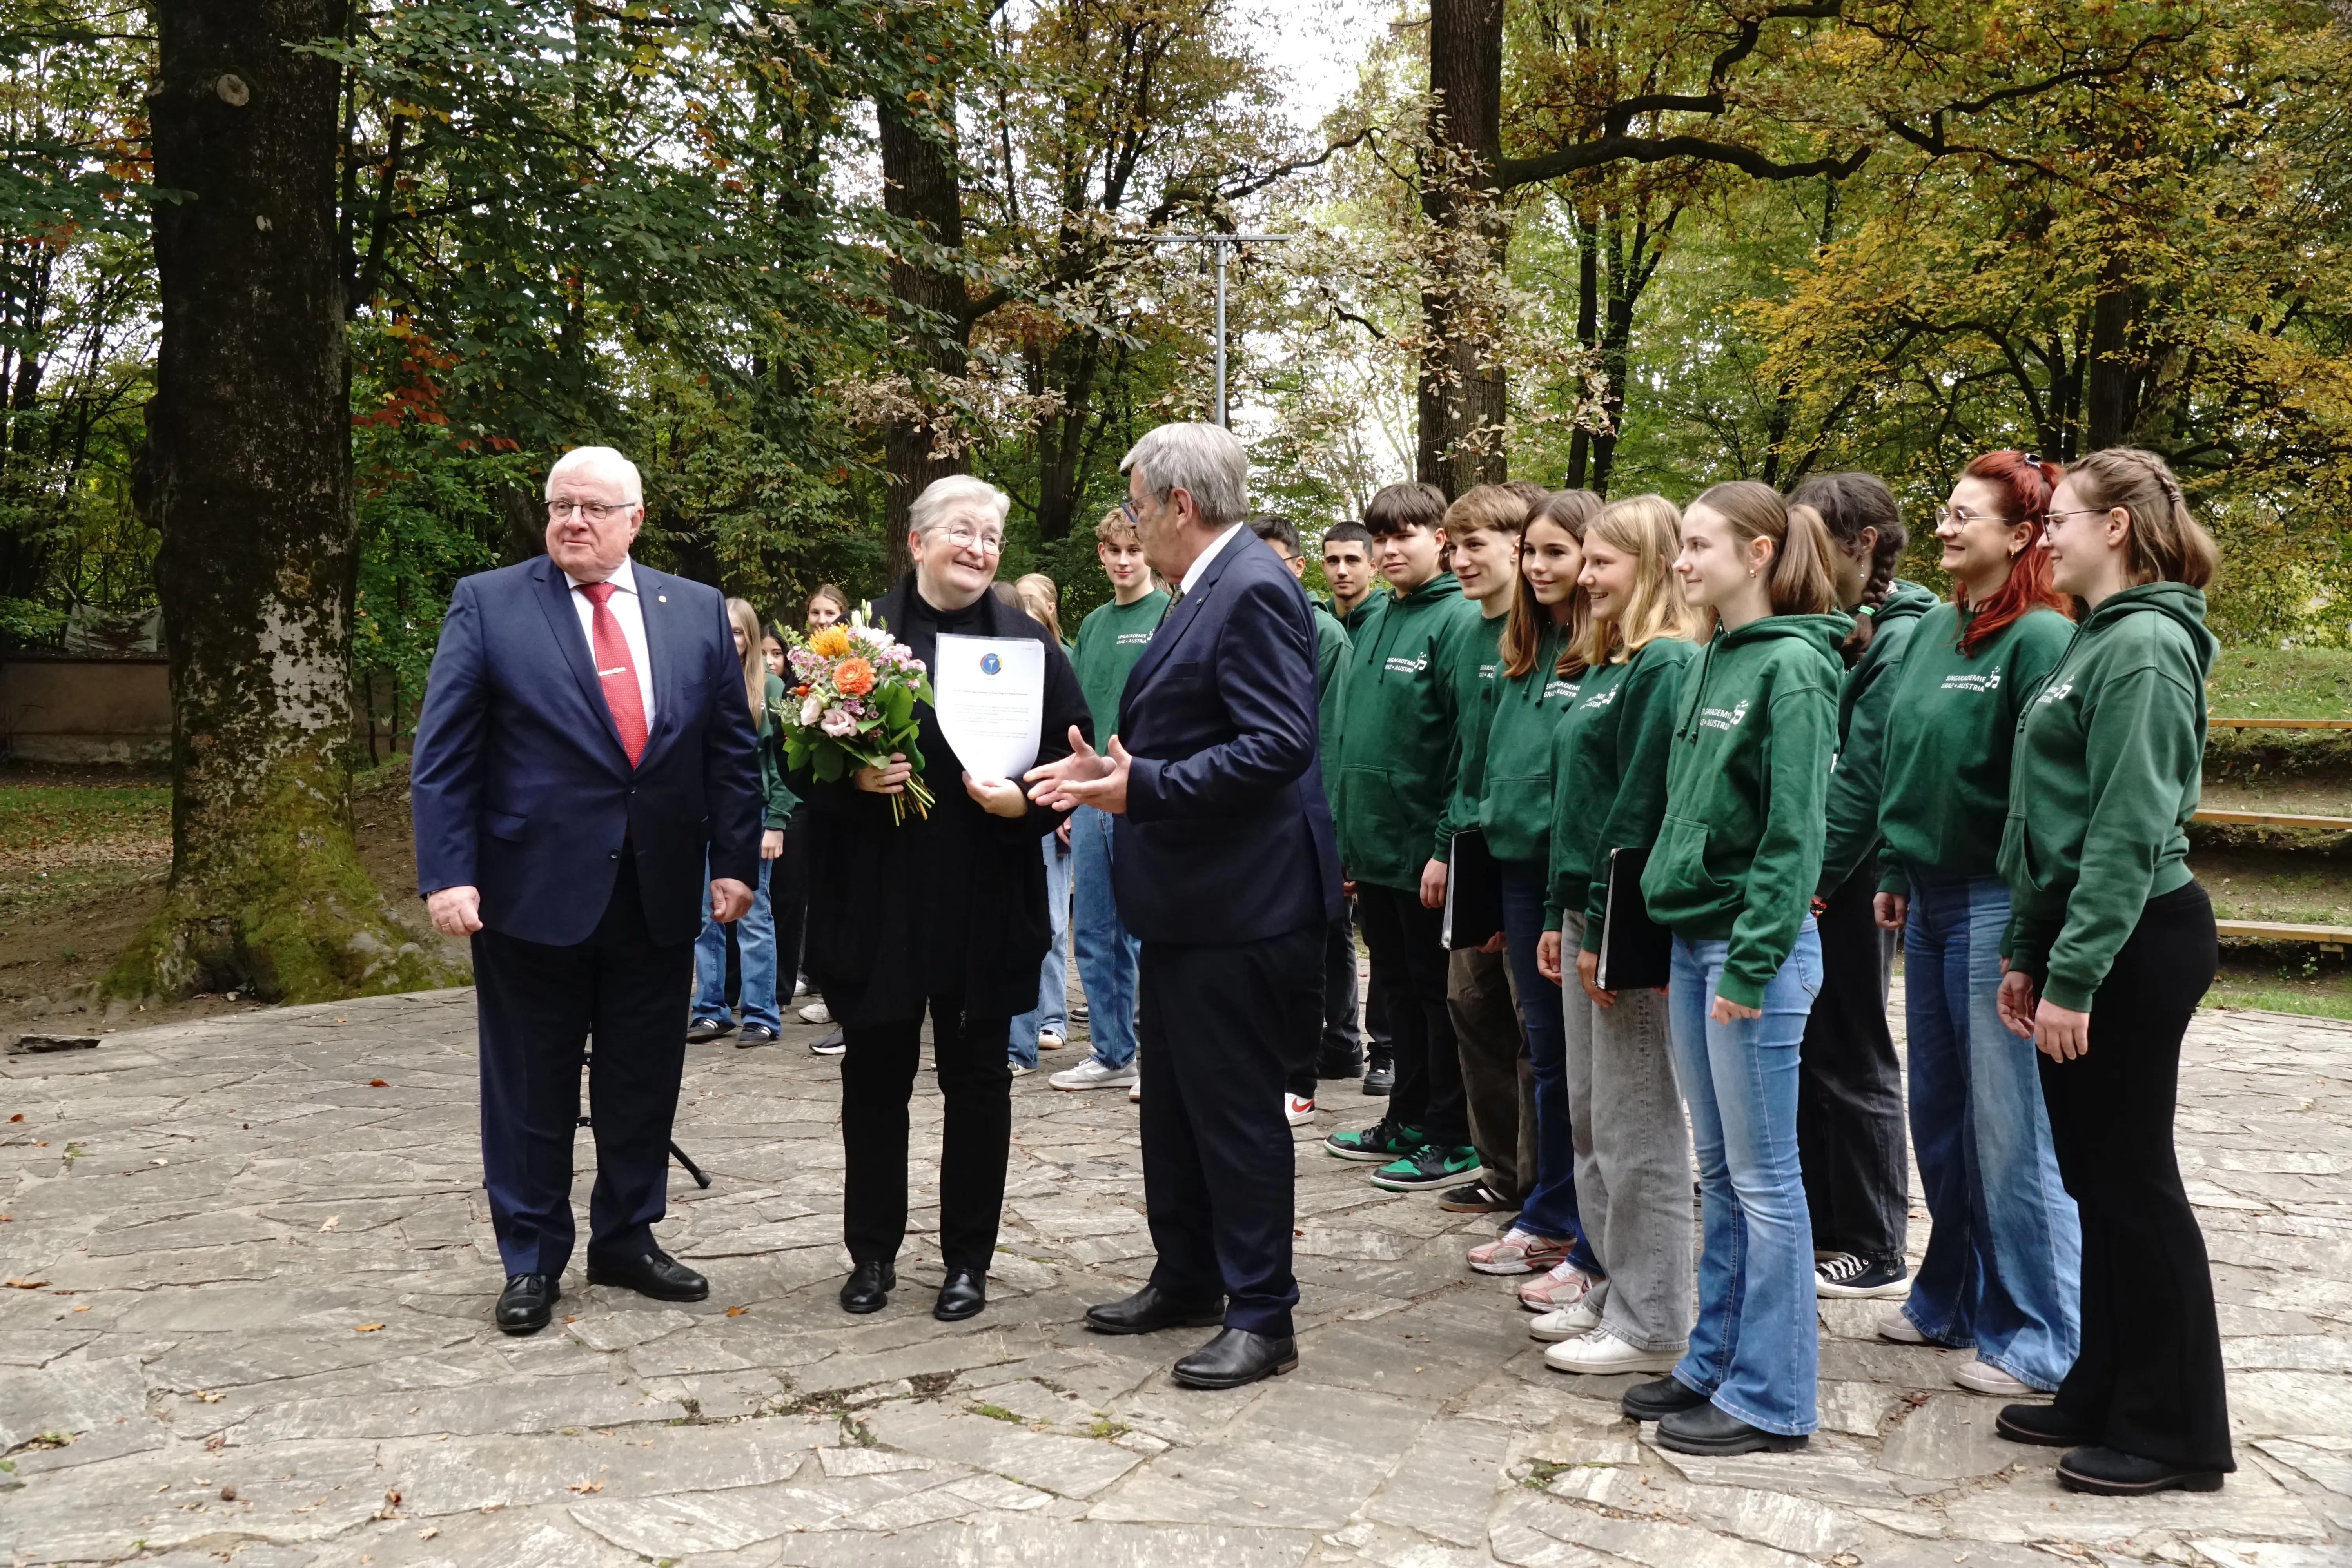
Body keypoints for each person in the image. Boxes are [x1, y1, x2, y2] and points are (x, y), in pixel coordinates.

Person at [410, 445, 762, 1336]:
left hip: (656, 892)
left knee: (643, 1079)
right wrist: (448, 874)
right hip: (531, 896)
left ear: (634, 519)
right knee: (530, 1086)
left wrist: (733, 862)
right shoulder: (490, 603)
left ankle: (627, 1236)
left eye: (593, 507)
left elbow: (728, 749)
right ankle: (531, 1256)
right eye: (560, 504)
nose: (572, 520)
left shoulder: (695, 612)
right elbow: (444, 755)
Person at [1029, 422, 1340, 1391]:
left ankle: (1262, 1313)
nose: (1130, 521)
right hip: (1187, 903)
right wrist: (1110, 772)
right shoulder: (1198, 586)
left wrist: (1146, 787)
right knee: (1172, 1108)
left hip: (1239, 906)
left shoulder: (1249, 586)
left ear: (1179, 505)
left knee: (1236, 1114)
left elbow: (1278, 744)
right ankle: (1190, 1275)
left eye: (1134, 503)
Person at [1993, 446, 2229, 1497]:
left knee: (2134, 1182)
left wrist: (2076, 976)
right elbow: (2054, 819)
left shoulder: (2141, 648)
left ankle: (2175, 1430)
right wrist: (2028, 955)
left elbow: (2128, 830)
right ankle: (2103, 1385)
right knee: (2095, 1177)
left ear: (2117, 529)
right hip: (2089, 938)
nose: (2047, 536)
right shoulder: (2097, 642)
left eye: (2062, 521)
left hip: (2136, 940)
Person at [799, 474, 1091, 1323]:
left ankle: (969, 1260)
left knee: (979, 1087)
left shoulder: (1030, 646)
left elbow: (1069, 760)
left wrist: (1026, 804)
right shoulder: (853, 641)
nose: (979, 547)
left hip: (982, 898)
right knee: (875, 1084)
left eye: (992, 536)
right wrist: (850, 777)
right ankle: (873, 1255)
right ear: (918, 541)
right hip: (879, 904)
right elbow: (793, 761)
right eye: (962, 530)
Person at [1624, 479, 1844, 1456]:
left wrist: (1751, 967)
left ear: (1759, 554)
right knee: (1719, 1171)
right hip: (1691, 940)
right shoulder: (1713, 655)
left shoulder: (1793, 666)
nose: (1682, 561)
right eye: (1679, 545)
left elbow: (1796, 834)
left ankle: (1773, 1396)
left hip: (1748, 952)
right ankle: (1711, 1361)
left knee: (1764, 1181)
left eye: (1700, 545)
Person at [1873, 451, 2083, 1399]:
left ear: (2020, 535)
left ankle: (2046, 1330)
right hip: (1925, 894)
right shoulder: (1932, 627)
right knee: (1942, 1113)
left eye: (1968, 517)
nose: (1947, 529)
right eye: (1945, 511)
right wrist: (1891, 865)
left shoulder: (2040, 637)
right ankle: (1950, 1295)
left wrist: (2029, 933)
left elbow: (2041, 793)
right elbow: (1900, 754)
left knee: (2011, 1128)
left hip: (1996, 900)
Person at [1532, 493, 1701, 1375]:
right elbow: (1579, 802)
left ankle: (1656, 1315)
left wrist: (1601, 921)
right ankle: (1612, 1280)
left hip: (1624, 917)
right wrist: (1566, 910)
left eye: (1605, 562)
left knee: (1639, 1123)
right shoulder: (1605, 662)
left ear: (1656, 564)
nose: (1587, 577)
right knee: (1591, 1117)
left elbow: (1639, 806)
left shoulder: (1665, 666)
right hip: (1582, 910)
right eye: (1585, 560)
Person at [1791, 474, 1933, 1301]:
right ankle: (1819, 1216)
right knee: (1809, 1048)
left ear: (1863, 542)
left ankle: (1875, 1239)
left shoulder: (1903, 633)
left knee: (1853, 1048)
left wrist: (1817, 878)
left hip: (1847, 872)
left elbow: (1865, 771)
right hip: (1813, 870)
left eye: (1813, 535)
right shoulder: (1836, 625)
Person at [1323, 483, 1482, 1190]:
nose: (1390, 552)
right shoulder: (1379, 615)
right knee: (1393, 990)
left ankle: (1452, 1133)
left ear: (1440, 540)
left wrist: (1444, 847)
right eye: (1381, 539)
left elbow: (1464, 747)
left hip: (1424, 854)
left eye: (1405, 537)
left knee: (1434, 996)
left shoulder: (1456, 621)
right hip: (1375, 849)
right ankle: (1407, 1117)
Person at [1466, 488, 1598, 1279]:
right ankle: (1548, 1210)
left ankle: (1573, 1218)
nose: (1540, 566)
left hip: (1570, 880)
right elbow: (1493, 770)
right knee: (1544, 1055)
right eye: (1533, 552)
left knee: (1576, 1063)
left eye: (1557, 551)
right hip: (1515, 873)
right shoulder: (1521, 650)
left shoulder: (1599, 654)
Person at [1426, 485, 1538, 1216]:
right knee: (1470, 1008)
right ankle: (1499, 1170)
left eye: (1477, 546)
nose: (1462, 560)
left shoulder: (1546, 633)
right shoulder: (1465, 632)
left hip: (1524, 859)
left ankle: (1539, 1185)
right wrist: (1444, 845)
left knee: (1535, 1031)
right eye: (1455, 546)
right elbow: (1460, 754)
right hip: (1470, 850)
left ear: (1517, 548)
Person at [1049, 506, 1171, 1095]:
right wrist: (1071, 798)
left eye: (1134, 551)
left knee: (1148, 929)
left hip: (1145, 794)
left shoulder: (1170, 614)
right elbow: (1075, 714)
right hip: (1091, 797)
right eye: (1114, 552)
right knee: (1094, 931)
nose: (1125, 562)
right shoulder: (1093, 625)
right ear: (1101, 555)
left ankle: (1159, 1054)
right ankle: (1111, 1050)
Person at [1251, 511, 1356, 1122]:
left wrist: (1334, 827)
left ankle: (1324, 1054)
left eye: (1273, 563)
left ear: (1296, 567)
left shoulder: (1325, 635)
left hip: (1311, 810)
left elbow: (1332, 736)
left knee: (1320, 938)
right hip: (1263, 816)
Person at [686, 598, 795, 1047]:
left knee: (755, 916)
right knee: (707, 917)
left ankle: (761, 1015)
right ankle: (711, 1009)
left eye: (737, 632)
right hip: (702, 818)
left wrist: (777, 820)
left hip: (753, 817)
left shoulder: (769, 688)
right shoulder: (697, 683)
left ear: (751, 638)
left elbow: (785, 764)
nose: (729, 640)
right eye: (722, 631)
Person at [1321, 517, 1395, 1094]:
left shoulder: (1385, 623)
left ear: (1371, 565)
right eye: (1333, 561)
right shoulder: (1321, 627)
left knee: (1379, 934)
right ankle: (1341, 1040)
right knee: (1335, 930)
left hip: (1383, 814)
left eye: (1353, 560)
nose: (1343, 571)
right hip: (1334, 803)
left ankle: (1386, 1049)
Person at [1008, 572, 1075, 1073]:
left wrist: (1061, 807)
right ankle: (1020, 1031)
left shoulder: (1062, 660)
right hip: (1006, 810)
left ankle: (1050, 1017)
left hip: (1047, 805)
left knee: (1051, 922)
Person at [795, 583, 853, 1045]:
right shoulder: (805, 669)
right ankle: (833, 994)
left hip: (854, 803)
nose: (821, 619)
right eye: (815, 612)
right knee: (824, 903)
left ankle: (848, 1011)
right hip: (818, 800)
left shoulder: (859, 666)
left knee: (848, 905)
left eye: (829, 612)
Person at [761, 620, 819, 1050]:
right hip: (755, 808)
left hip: (794, 810)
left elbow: (784, 762)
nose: (768, 661)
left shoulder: (787, 695)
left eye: (775, 653)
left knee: (787, 901)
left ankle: (782, 985)